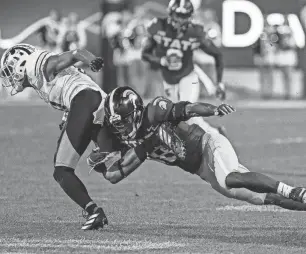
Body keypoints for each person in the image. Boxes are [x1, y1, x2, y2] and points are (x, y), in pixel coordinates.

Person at [88, 86, 306, 211]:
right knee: (263, 198)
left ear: (135, 112)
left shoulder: (155, 111)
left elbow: (187, 109)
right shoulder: (133, 143)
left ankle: (294, 190)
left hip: (209, 145)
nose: (121, 128)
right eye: (117, 124)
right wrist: (99, 164)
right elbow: (115, 175)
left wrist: (213, 110)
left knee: (229, 178)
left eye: (123, 121)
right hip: (202, 171)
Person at [0, 43, 114, 230]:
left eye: (10, 70)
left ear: (20, 64)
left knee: (62, 170)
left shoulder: (39, 65)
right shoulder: (37, 77)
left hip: (85, 102)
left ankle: (94, 211)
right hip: (96, 104)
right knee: (113, 171)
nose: (10, 77)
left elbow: (74, 54)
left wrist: (91, 59)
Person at [142, 0, 225, 135]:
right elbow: (145, 54)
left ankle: (214, 137)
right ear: (170, 14)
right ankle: (216, 132)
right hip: (168, 80)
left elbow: (217, 54)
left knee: (186, 113)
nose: (180, 20)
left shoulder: (195, 32)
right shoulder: (158, 26)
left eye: (184, 16)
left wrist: (220, 82)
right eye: (178, 15)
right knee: (172, 118)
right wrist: (161, 60)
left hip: (188, 76)